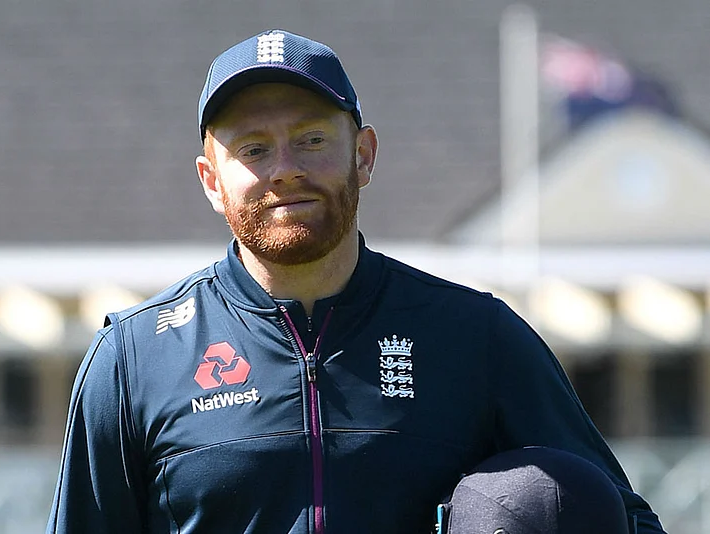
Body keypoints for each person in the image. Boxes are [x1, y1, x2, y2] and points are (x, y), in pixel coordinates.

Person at [47, 29, 666, 533]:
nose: (285, 170)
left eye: (312, 139)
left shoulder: (474, 336)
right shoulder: (135, 357)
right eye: (253, 150)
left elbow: (623, 519)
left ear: (363, 155)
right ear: (212, 180)